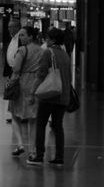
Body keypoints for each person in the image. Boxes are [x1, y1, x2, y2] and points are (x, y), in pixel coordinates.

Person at [27, 27, 71, 166]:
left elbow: (41, 74)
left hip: (49, 95)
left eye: (47, 38)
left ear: (52, 40)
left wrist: (32, 91)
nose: (45, 40)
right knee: (58, 126)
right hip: (63, 95)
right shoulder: (65, 54)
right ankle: (59, 158)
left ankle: (39, 156)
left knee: (41, 124)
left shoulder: (48, 52)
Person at [7, 27, 41, 157]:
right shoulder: (41, 50)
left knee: (15, 115)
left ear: (30, 36)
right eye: (20, 35)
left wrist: (10, 82)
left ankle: (20, 144)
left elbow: (16, 68)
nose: (20, 38)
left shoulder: (22, 50)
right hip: (36, 83)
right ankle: (32, 150)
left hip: (21, 83)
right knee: (33, 118)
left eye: (23, 35)